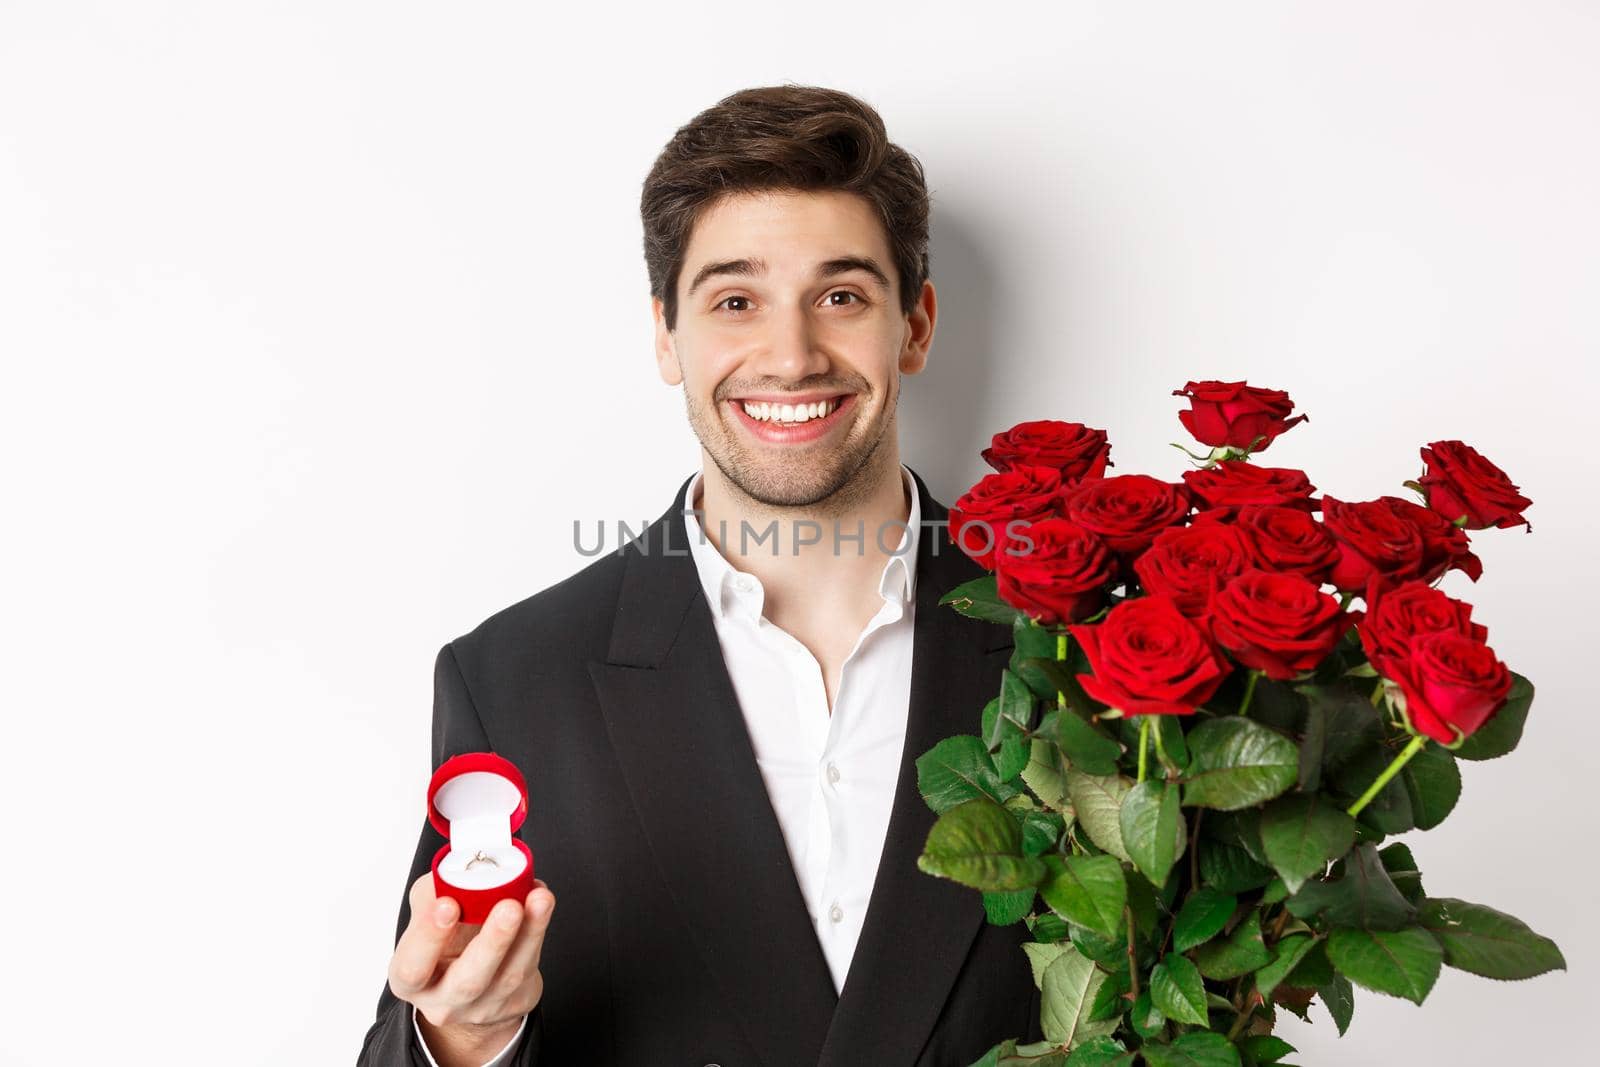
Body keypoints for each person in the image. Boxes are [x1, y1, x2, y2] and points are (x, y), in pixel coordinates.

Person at [358, 84, 1044, 1067]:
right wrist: (465, 1033)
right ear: (666, 336)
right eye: (734, 301)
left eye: (840, 295)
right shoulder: (515, 677)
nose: (791, 354)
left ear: (917, 325)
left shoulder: (1084, 645)